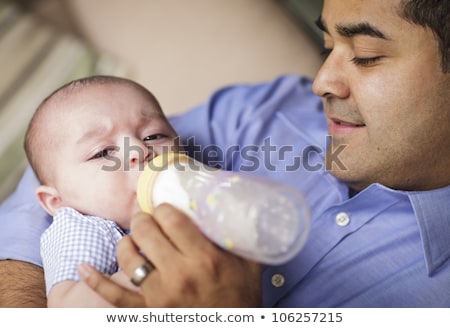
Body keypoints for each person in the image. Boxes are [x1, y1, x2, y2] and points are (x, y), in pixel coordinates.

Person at [0, 0, 449, 307]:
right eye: (328, 47)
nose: (321, 83)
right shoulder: (265, 110)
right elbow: (57, 155)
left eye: (368, 56)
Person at [22, 75, 181, 307]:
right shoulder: (86, 226)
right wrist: (151, 273)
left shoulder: (205, 183)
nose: (139, 149)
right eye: (103, 152)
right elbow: (68, 309)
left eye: (154, 136)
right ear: (57, 201)